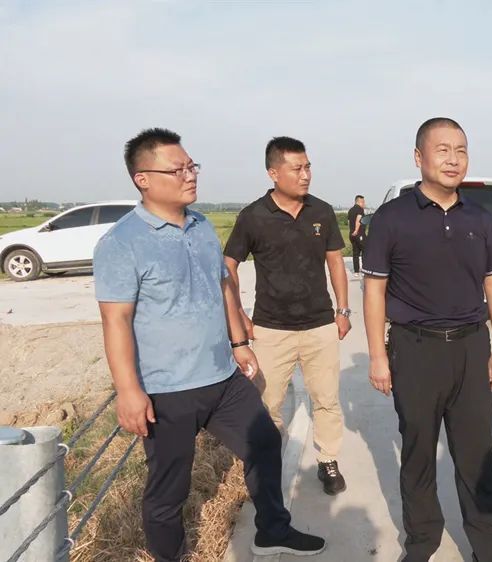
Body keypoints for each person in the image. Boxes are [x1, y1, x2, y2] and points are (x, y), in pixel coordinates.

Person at [94, 128, 325, 560]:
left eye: (192, 166)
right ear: (143, 179)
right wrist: (128, 391)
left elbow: (222, 286)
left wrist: (239, 342)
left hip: (222, 378)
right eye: (177, 169)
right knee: (169, 490)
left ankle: (273, 529)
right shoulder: (122, 243)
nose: (190, 175)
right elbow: (116, 320)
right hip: (166, 390)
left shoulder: (201, 227)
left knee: (264, 442)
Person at [362, 117, 492, 562]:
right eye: (442, 149)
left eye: (461, 150)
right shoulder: (392, 218)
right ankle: (422, 541)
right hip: (414, 349)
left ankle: (487, 547)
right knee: (418, 453)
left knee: (475, 455)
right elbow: (374, 289)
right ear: (419, 157)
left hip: (470, 347)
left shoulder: (479, 218)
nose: (453, 159)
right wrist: (377, 356)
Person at [223, 136, 350, 495]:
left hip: (320, 325)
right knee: (266, 404)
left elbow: (336, 263)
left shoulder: (321, 212)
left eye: (308, 167)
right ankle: (267, 465)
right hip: (270, 329)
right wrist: (239, 314)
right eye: (297, 168)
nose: (305, 174)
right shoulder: (253, 216)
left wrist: (342, 309)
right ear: (273, 173)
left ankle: (328, 460)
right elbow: (228, 265)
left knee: (326, 399)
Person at [348, 195, 367, 277]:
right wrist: (356, 230)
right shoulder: (360, 209)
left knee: (355, 253)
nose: (364, 204)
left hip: (352, 235)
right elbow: (358, 220)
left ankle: (356, 272)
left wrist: (352, 231)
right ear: (359, 202)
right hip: (359, 234)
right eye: (363, 202)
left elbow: (349, 222)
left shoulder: (350, 210)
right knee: (365, 251)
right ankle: (365, 269)